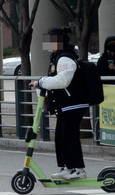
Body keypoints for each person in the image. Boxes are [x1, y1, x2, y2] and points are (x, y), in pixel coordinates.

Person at [29, 27, 89, 180]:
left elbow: (63, 80)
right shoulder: (57, 57)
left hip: (73, 104)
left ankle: (79, 169)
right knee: (61, 136)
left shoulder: (65, 58)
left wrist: (42, 82)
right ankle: (67, 167)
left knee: (70, 136)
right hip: (65, 105)